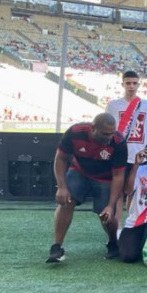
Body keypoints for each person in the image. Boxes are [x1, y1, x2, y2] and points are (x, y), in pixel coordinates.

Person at [46, 113, 127, 263]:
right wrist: (61, 187)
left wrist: (111, 206)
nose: (109, 137)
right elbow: (60, 158)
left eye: (112, 133)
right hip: (80, 171)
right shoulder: (75, 133)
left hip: (106, 178)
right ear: (93, 128)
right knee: (66, 202)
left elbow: (118, 176)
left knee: (106, 214)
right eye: (105, 134)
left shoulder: (118, 141)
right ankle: (56, 247)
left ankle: (113, 242)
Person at [105, 70, 147, 219]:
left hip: (140, 154)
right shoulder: (114, 105)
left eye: (134, 83)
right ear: (123, 84)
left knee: (137, 191)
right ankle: (117, 226)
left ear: (139, 84)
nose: (131, 86)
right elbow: (108, 130)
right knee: (118, 192)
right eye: (128, 83)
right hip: (120, 154)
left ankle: (132, 223)